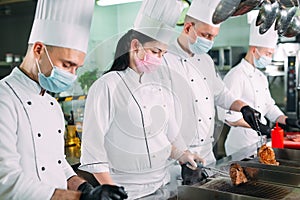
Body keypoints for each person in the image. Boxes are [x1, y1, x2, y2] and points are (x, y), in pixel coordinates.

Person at [0, 0, 127, 199]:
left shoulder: (52, 105)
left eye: (77, 68)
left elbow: (58, 164)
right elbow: (6, 182)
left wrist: (85, 188)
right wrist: (81, 198)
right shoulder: (4, 98)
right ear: (39, 49)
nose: (72, 75)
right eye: (67, 64)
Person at [79, 1, 203, 199]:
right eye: (155, 52)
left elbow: (159, 139)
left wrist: (183, 155)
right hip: (127, 192)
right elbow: (92, 150)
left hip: (162, 186)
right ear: (135, 45)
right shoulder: (107, 86)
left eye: (163, 54)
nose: (159, 59)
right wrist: (110, 190)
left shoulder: (158, 88)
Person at [162, 0, 262, 166]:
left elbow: (221, 94)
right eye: (206, 35)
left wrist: (243, 107)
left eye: (214, 37)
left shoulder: (206, 60)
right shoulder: (164, 60)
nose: (210, 41)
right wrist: (178, 153)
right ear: (187, 28)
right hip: (178, 156)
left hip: (207, 152)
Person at [218, 19, 300, 155]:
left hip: (259, 142)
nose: (269, 58)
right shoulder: (236, 75)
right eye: (268, 53)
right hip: (240, 144)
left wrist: (286, 120)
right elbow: (225, 114)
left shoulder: (261, 76)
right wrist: (256, 126)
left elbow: (268, 106)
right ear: (254, 50)